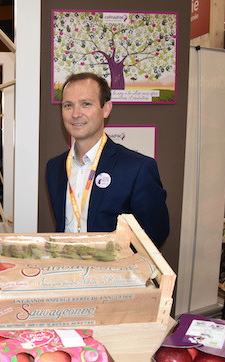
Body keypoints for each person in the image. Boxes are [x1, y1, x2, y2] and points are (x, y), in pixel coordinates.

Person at [46, 73, 169, 247]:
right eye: (68, 105)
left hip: (116, 264)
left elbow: (155, 234)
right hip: (66, 262)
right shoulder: (55, 167)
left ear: (106, 109)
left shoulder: (137, 168)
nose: (75, 114)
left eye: (86, 104)